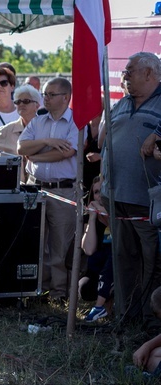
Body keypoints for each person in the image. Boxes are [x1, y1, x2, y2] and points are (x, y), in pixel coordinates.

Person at [110, 52, 161, 325]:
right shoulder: (123, 103)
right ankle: (125, 317)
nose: (125, 75)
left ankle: (151, 321)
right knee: (123, 260)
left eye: (130, 70)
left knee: (151, 263)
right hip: (117, 197)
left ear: (149, 74)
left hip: (150, 202)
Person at [18, 77, 78, 302]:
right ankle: (38, 288)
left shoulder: (74, 121)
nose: (46, 98)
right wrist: (49, 140)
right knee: (36, 242)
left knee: (59, 245)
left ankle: (58, 293)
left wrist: (35, 155)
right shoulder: (37, 121)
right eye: (44, 94)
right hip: (35, 188)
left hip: (63, 191)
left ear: (65, 97)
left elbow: (66, 153)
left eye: (51, 94)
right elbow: (20, 147)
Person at [0, 84, 40, 182]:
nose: (21, 104)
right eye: (18, 102)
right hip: (18, 190)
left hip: (44, 187)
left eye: (26, 101)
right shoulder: (8, 130)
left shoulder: (46, 127)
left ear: (37, 105)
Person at [80, 177, 113, 322]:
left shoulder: (119, 214)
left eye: (102, 190)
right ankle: (103, 306)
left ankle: (101, 307)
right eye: (96, 192)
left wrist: (106, 215)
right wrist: (93, 219)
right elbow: (88, 250)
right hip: (96, 270)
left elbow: (120, 236)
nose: (99, 195)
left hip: (115, 271)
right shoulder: (93, 216)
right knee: (84, 287)